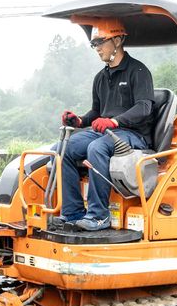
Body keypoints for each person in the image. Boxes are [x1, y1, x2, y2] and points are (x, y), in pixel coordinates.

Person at [57, 18, 155, 231]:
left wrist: (114, 121)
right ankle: (73, 212)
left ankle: (99, 216)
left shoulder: (138, 71)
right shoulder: (101, 77)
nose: (97, 48)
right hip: (106, 132)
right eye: (94, 44)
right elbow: (96, 112)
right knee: (62, 148)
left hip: (133, 134)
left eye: (101, 42)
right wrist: (80, 120)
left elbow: (144, 107)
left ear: (117, 40)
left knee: (96, 148)